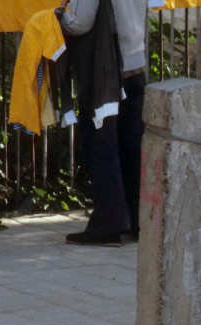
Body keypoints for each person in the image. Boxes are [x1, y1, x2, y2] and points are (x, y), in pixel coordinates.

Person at [60, 0, 147, 246]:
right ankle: (137, 220)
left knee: (102, 146)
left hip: (107, 68)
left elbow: (80, 21)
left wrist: (57, 17)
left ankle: (109, 223)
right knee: (132, 147)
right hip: (135, 63)